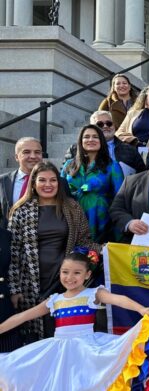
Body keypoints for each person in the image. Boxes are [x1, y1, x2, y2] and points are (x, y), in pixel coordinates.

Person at [0, 251, 149, 389]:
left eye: (77, 273)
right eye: (65, 272)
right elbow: (22, 316)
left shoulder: (94, 294)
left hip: (88, 349)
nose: (70, 277)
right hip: (58, 351)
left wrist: (141, 309)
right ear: (59, 273)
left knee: (88, 382)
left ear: (87, 274)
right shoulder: (54, 300)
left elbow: (119, 299)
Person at [8, 162, 100, 340]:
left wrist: (104, 249)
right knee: (36, 334)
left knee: (62, 331)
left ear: (59, 182)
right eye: (42, 180)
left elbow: (84, 241)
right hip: (31, 282)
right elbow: (13, 253)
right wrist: (14, 289)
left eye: (53, 180)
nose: (48, 185)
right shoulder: (21, 211)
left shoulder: (72, 207)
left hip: (65, 279)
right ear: (33, 183)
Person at [61, 125, 124, 242]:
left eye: (95, 137)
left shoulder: (112, 165)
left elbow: (120, 197)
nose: (91, 140)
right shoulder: (69, 165)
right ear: (81, 141)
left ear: (101, 141)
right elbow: (60, 190)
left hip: (101, 220)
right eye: (86, 137)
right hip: (72, 216)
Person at [64, 111, 146, 177]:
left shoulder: (130, 150)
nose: (105, 126)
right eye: (100, 124)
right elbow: (65, 174)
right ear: (91, 127)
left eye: (109, 123)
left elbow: (143, 175)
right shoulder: (75, 149)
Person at [0, 138, 49, 228]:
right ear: (16, 157)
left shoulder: (57, 183)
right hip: (9, 238)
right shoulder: (2, 181)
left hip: (46, 238)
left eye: (37, 152)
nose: (33, 156)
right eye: (26, 152)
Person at [0, 226, 21, 352]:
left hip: (4, 305)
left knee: (9, 357)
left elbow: (13, 264)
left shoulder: (5, 235)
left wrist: (14, 290)